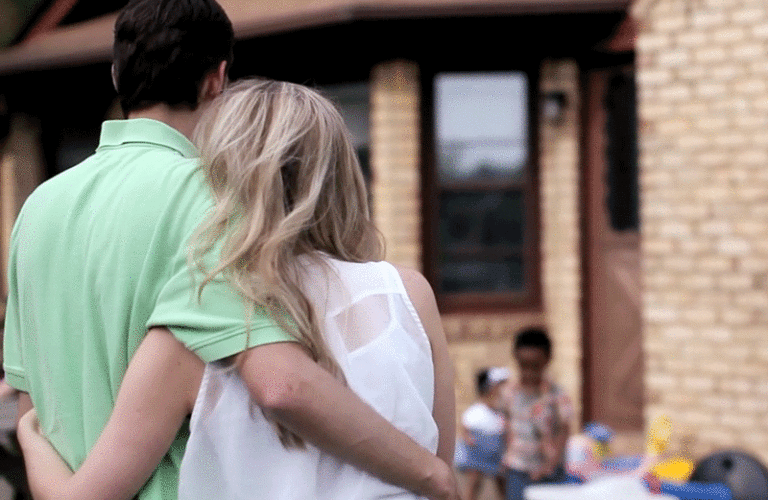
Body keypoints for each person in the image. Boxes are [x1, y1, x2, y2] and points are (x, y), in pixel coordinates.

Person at [3, 2, 458, 499]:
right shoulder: (220, 200)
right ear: (217, 79)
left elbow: (35, 409)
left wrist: (34, 450)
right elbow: (281, 384)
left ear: (117, 75)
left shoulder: (37, 209)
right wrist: (431, 475)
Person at [500, 328, 573, 500]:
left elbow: (564, 431)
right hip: (517, 469)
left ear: (547, 360)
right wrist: (506, 457)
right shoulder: (509, 393)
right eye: (524, 366)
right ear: (516, 359)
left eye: (535, 367)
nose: (529, 372)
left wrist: (550, 464)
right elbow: (508, 425)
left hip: (550, 472)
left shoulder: (556, 396)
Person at [455, 367, 509, 500]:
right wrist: (469, 440)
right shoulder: (475, 412)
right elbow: (465, 430)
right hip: (478, 453)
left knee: (502, 484)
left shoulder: (501, 412)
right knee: (474, 483)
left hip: (497, 452)